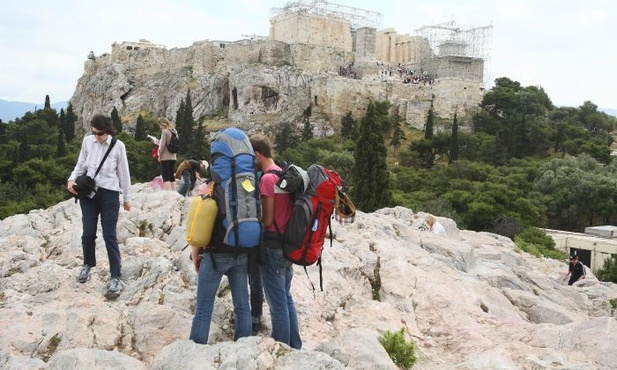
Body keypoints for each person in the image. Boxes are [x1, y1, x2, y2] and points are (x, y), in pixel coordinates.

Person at [67, 114, 132, 299]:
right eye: (94, 132)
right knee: (88, 232)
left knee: (109, 235)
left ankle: (115, 276)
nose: (96, 136)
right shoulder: (88, 142)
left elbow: (124, 173)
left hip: (110, 194)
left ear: (108, 131)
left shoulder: (118, 146)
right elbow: (81, 165)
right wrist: (71, 179)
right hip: (89, 193)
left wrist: (127, 198)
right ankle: (87, 264)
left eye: (100, 133)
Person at [249, 134, 302, 349]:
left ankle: (283, 349)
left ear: (257, 154)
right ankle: (295, 345)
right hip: (287, 246)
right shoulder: (283, 174)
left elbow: (268, 219)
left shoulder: (267, 179)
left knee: (277, 303)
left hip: (272, 249)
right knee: (286, 298)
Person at [158, 117, 177, 191]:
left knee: (166, 177)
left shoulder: (165, 131)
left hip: (165, 157)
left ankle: (167, 193)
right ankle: (174, 192)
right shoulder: (174, 131)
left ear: (162, 124)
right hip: (173, 157)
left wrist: (160, 155)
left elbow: (162, 145)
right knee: (172, 176)